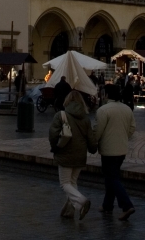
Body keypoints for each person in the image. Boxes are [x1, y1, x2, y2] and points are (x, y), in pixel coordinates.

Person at [49, 90, 98, 220]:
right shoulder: (85, 118)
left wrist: (55, 148)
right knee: (72, 182)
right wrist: (93, 149)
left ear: (67, 101)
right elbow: (90, 138)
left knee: (64, 183)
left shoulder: (61, 115)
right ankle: (70, 211)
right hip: (80, 154)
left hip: (65, 153)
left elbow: (53, 135)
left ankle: (81, 201)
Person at [93, 83, 136, 220]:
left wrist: (94, 142)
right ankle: (107, 205)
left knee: (112, 178)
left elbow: (98, 130)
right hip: (121, 148)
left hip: (108, 149)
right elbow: (132, 127)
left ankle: (126, 205)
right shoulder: (126, 109)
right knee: (111, 176)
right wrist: (124, 137)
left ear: (106, 94)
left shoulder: (103, 110)